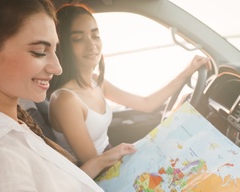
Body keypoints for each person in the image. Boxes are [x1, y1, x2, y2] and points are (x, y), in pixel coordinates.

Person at [0, 0, 204, 192]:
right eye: (39, 51)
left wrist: (103, 159)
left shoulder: (14, 121)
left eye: (55, 50)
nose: (57, 67)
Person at [48, 4, 210, 178]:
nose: (92, 45)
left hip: (110, 161)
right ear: (62, 45)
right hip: (98, 179)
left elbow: (147, 104)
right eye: (78, 39)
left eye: (95, 35)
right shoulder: (65, 100)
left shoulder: (95, 81)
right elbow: (96, 165)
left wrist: (187, 71)